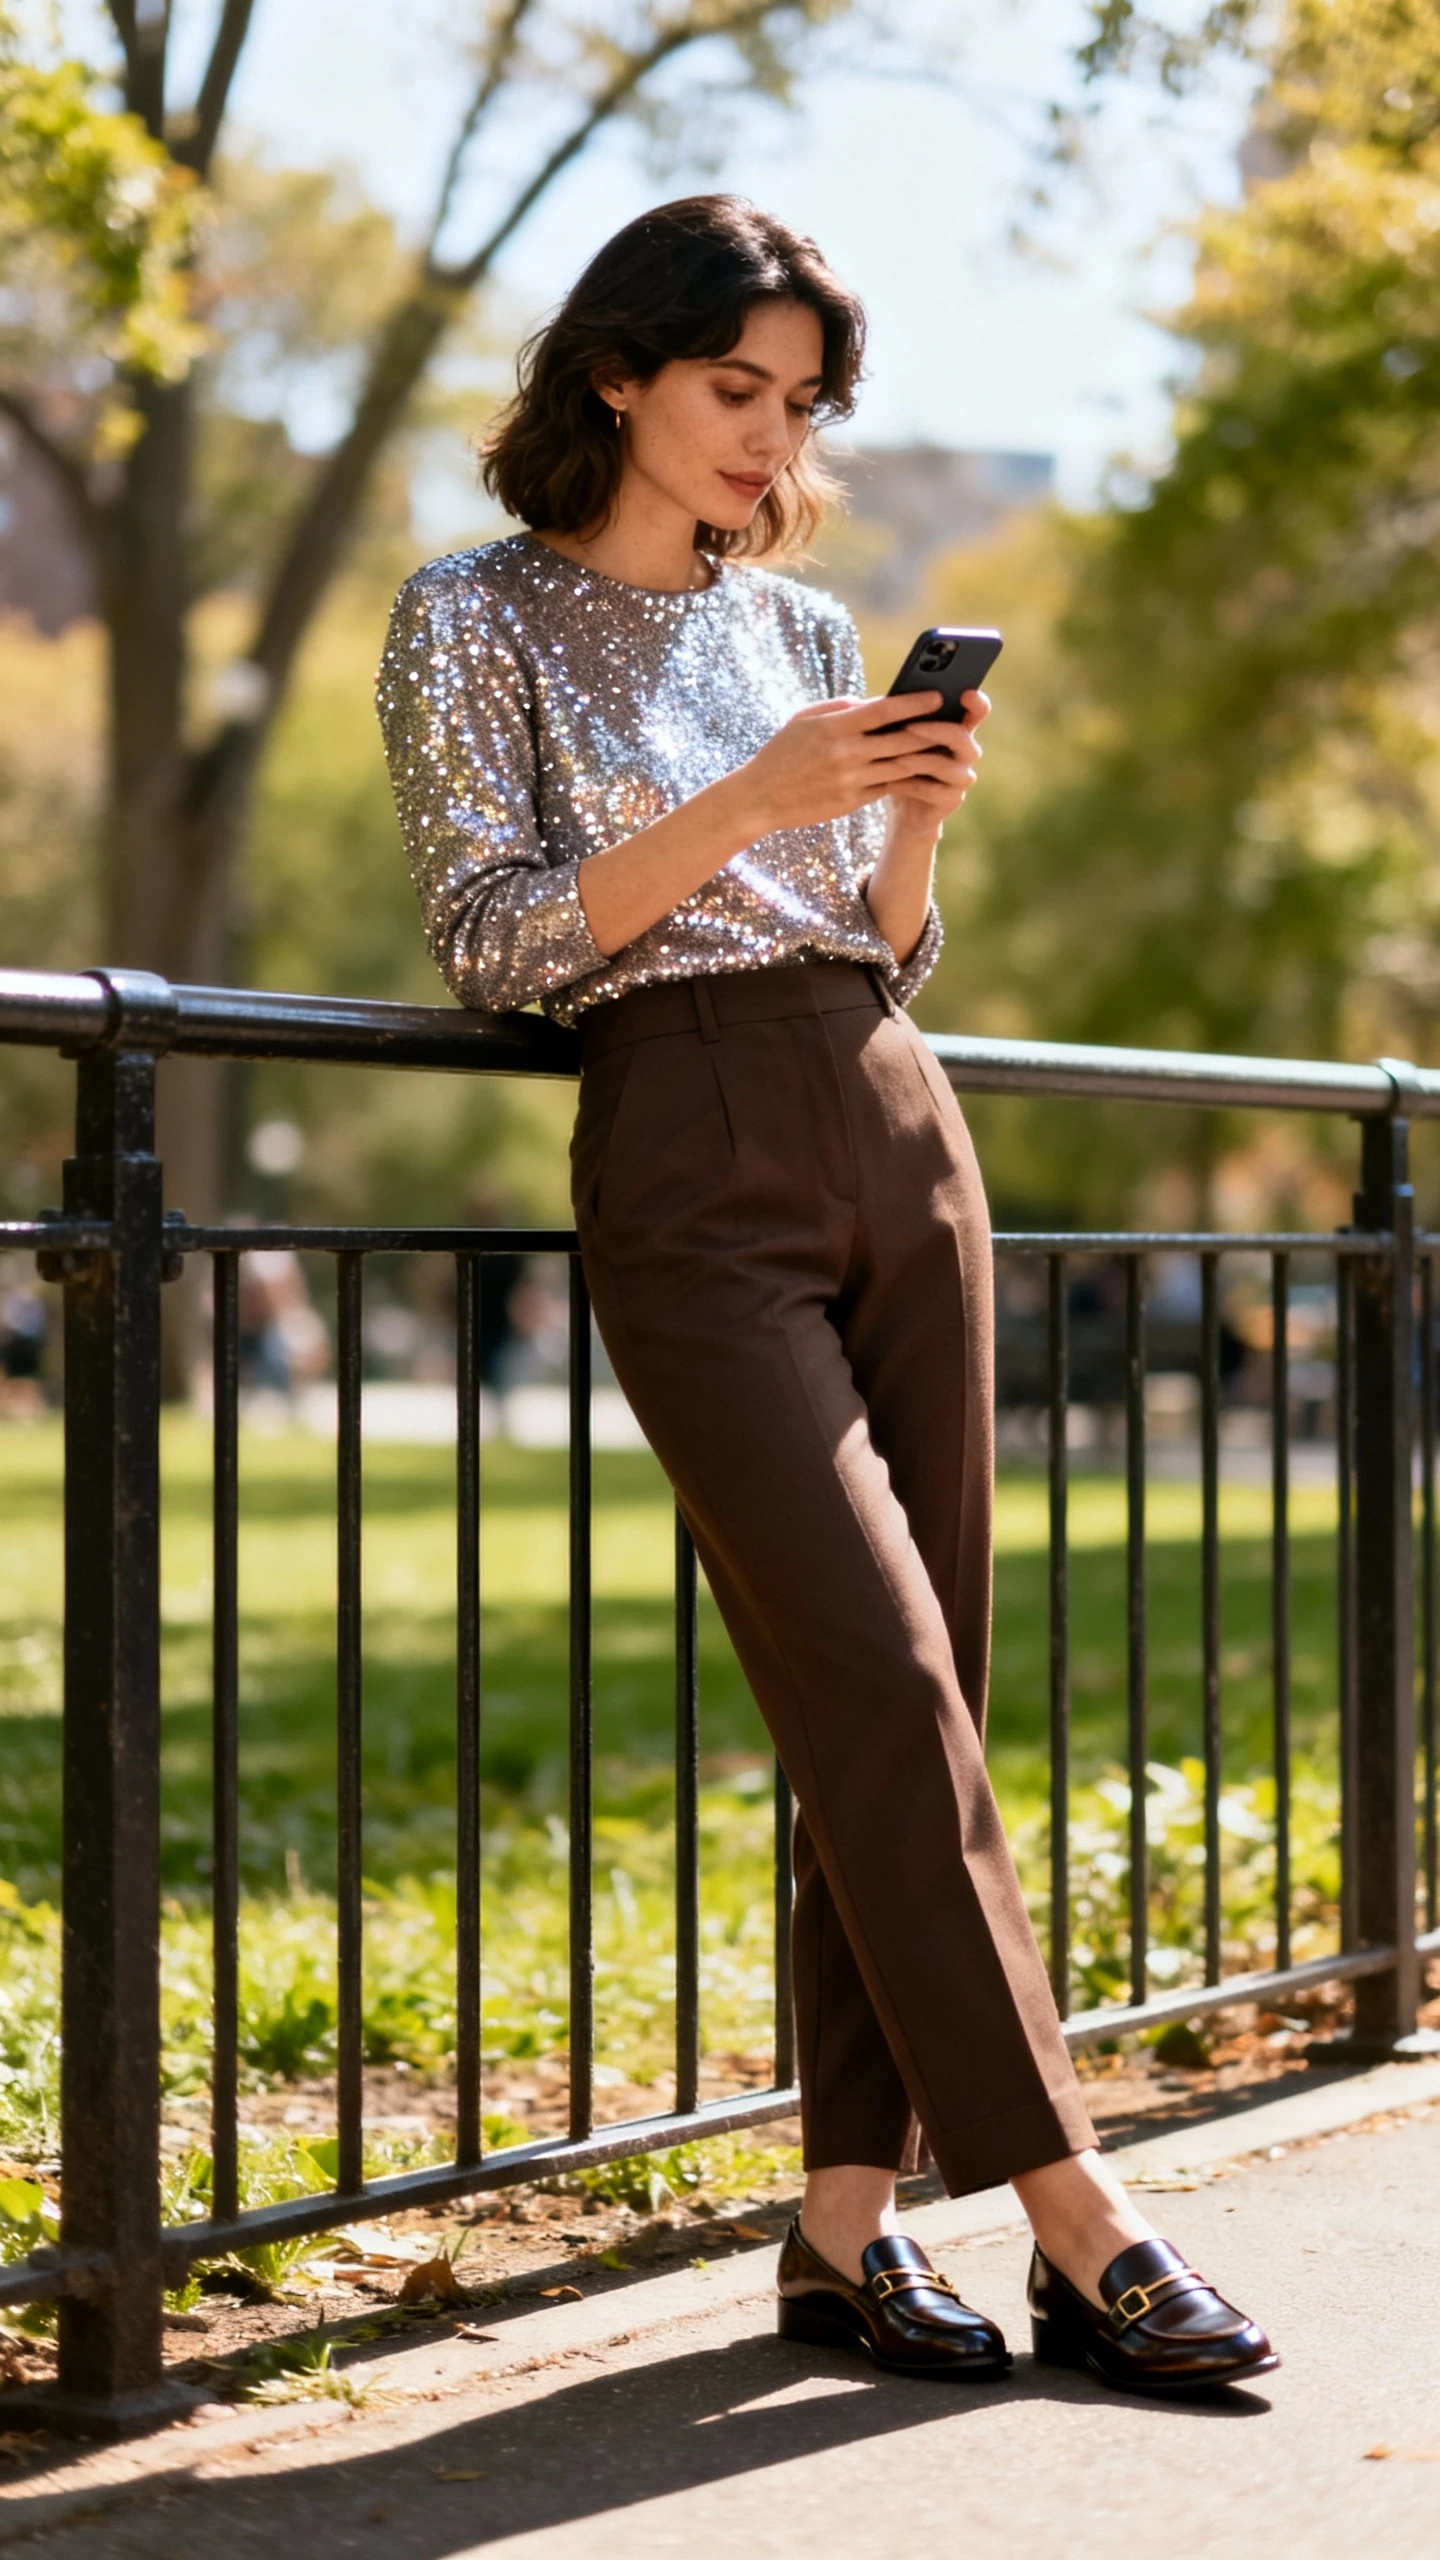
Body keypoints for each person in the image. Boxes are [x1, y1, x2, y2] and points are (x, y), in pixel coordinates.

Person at [377, 194, 1276, 2396]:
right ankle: (1084, 2206)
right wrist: (749, 796)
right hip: (682, 1143)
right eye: (733, 391)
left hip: (892, 1115)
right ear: (618, 372)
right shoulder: (466, 614)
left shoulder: (798, 623)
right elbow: (498, 941)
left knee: (925, 1684)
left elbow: (870, 938)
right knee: (872, 1665)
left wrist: (905, 834)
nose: (770, 441)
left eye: (799, 406)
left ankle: (840, 2232)